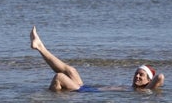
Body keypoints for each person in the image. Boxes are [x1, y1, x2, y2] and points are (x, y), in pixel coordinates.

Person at [30, 26, 164, 92]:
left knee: (59, 77)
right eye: (136, 73)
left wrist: (151, 85)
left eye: (141, 75)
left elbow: (160, 77)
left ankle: (51, 101)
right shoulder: (131, 88)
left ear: (148, 80)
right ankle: (40, 47)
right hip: (88, 89)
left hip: (86, 95)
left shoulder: (145, 91)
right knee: (71, 70)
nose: (137, 76)